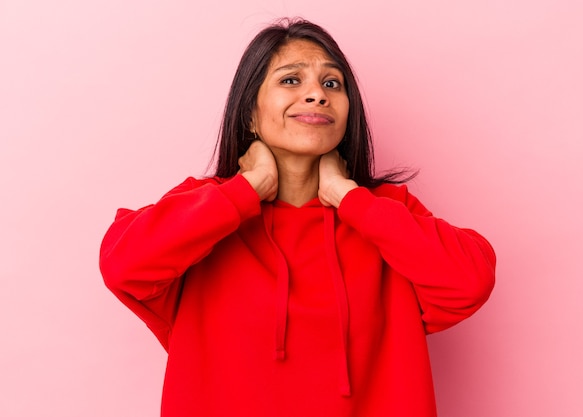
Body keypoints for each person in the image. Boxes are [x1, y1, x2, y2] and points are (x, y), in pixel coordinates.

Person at [100, 18, 496, 417]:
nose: (317, 95)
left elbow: (469, 281)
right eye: (291, 80)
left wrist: (349, 198)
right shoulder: (206, 209)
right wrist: (248, 189)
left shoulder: (384, 212)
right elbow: (123, 265)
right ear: (249, 113)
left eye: (332, 83)